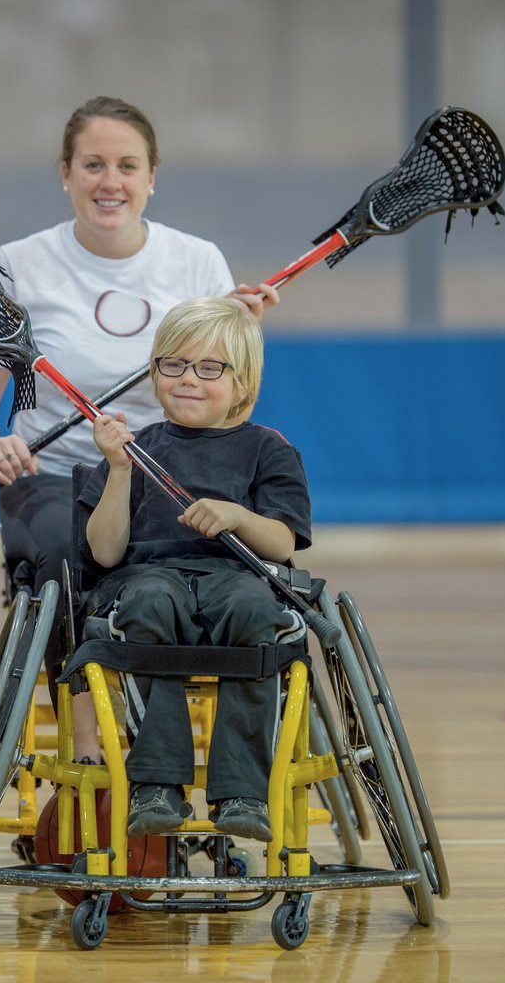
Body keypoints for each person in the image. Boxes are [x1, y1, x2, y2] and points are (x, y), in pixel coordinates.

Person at [0, 95, 278, 761]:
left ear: (152, 176)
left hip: (169, 476)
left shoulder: (196, 263)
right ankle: (88, 749)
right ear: (64, 173)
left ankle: (198, 754)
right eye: (92, 164)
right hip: (54, 477)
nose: (109, 182)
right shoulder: (16, 266)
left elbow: (223, 395)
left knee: (224, 572)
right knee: (67, 555)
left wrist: (234, 335)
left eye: (127, 165)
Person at [78, 297, 310, 841]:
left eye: (210, 368)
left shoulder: (267, 450)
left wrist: (238, 515)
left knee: (257, 610)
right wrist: (116, 470)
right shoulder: (137, 452)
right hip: (146, 580)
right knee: (148, 602)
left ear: (243, 381)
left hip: (236, 577)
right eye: (173, 365)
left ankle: (243, 793)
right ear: (154, 370)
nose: (188, 380)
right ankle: (157, 785)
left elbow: (281, 542)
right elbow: (106, 553)